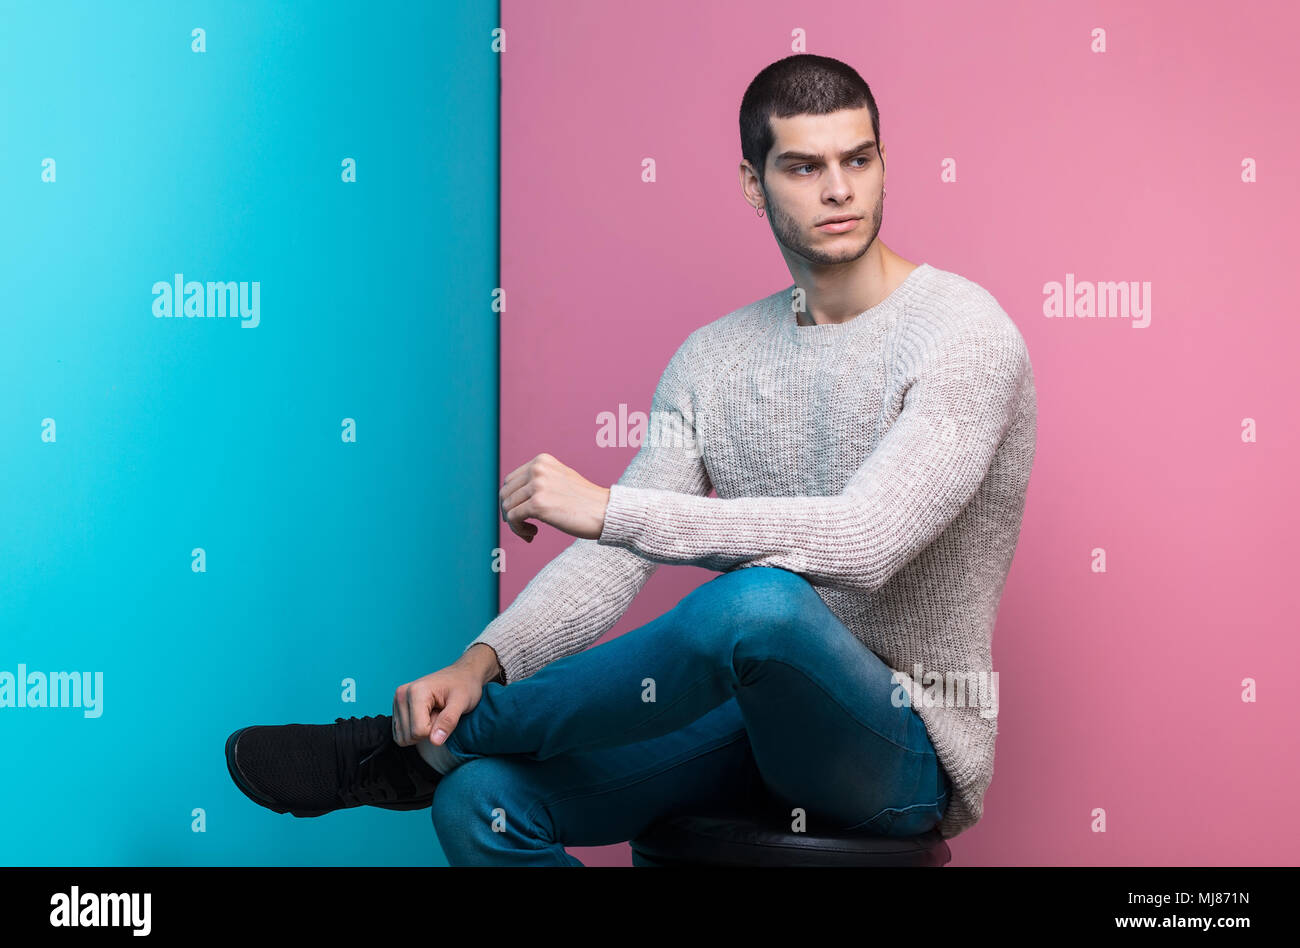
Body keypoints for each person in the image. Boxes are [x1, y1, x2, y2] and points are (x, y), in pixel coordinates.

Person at [225, 53, 1037, 866]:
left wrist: (612, 509)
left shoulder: (965, 334)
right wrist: (485, 659)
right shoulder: (714, 359)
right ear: (754, 184)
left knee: (759, 606)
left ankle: (421, 747)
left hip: (897, 745)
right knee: (480, 804)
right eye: (804, 166)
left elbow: (869, 540)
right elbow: (611, 565)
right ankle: (449, 743)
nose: (839, 190)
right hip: (748, 728)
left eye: (858, 160)